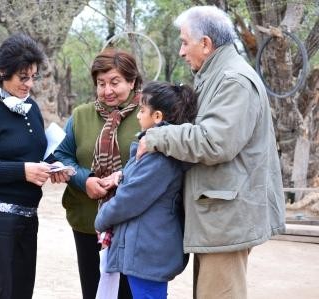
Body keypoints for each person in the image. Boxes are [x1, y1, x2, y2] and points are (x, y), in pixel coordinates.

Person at [136, 6, 286, 299]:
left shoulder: (233, 80)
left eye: (184, 42)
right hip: (217, 218)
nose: (181, 51)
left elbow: (214, 141)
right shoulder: (216, 75)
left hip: (226, 220)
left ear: (205, 44)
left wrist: (157, 136)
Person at [0, 33, 66, 299]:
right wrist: (22, 171)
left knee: (20, 293)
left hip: (26, 217)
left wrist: (54, 165)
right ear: (3, 71)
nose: (29, 84)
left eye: (33, 77)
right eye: (23, 77)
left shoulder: (30, 107)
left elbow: (33, 152)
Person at [54, 48, 143, 299]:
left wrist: (122, 178)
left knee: (129, 293)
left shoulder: (148, 114)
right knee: (94, 291)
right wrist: (85, 181)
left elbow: (157, 163)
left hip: (134, 225)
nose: (107, 91)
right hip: (88, 222)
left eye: (115, 82)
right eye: (101, 83)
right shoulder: (81, 115)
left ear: (132, 81)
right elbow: (61, 154)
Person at [95, 81, 196, 299]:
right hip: (147, 247)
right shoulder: (154, 149)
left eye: (142, 111)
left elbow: (130, 198)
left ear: (157, 117)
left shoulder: (159, 156)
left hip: (149, 250)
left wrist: (101, 219)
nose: (139, 116)